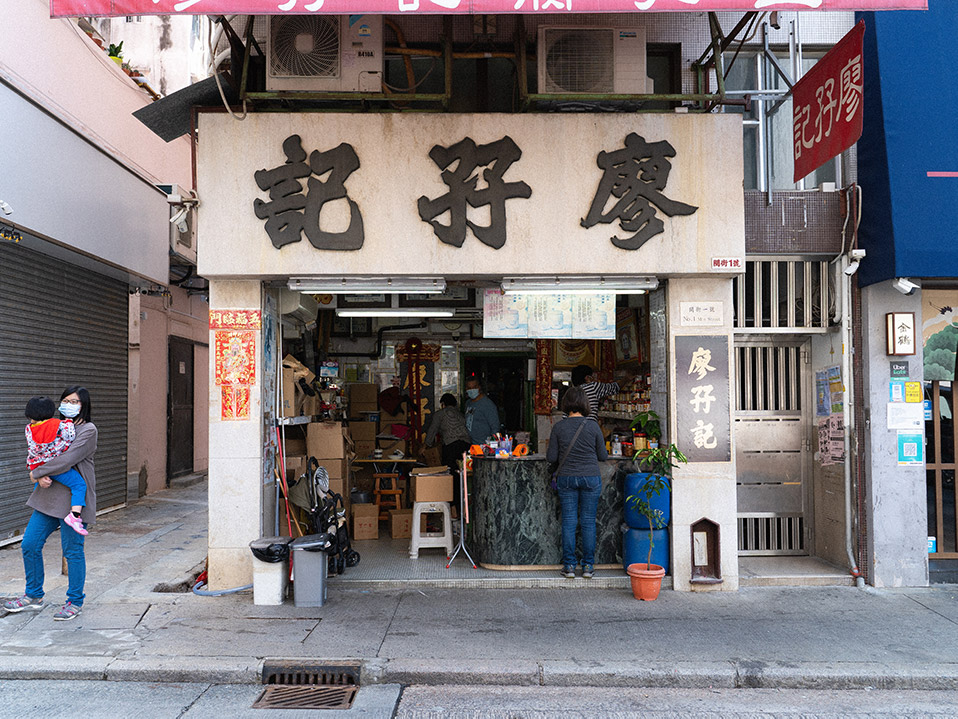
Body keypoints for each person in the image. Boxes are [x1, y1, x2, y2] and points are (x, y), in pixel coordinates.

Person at [3, 387, 97, 621]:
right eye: (65, 400)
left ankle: (75, 601)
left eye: (74, 401)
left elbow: (67, 459)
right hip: (48, 497)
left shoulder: (87, 430)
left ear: (83, 405)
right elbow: (37, 452)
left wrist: (36, 472)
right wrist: (35, 473)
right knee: (30, 544)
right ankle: (34, 595)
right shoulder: (51, 424)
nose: (69, 405)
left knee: (72, 551)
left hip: (74, 500)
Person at [546, 386, 608, 580]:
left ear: (566, 404)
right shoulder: (593, 426)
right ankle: (588, 566)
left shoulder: (559, 427)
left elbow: (551, 457)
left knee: (569, 522)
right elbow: (603, 456)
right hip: (590, 477)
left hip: (566, 478)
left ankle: (570, 566)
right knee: (588, 522)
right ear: (585, 404)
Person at [23, 397, 88, 536]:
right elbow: (70, 437)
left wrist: (38, 473)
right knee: (79, 485)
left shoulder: (29, 429)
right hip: (56, 467)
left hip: (40, 466)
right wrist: (69, 423)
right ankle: (75, 515)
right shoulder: (60, 425)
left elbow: (32, 449)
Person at [424, 393, 472, 509]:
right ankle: (463, 507)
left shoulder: (440, 414)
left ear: (442, 404)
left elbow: (433, 430)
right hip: (466, 446)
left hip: (451, 446)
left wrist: (425, 445)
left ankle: (454, 508)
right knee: (462, 476)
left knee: (451, 476)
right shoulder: (460, 415)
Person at [464, 378, 500, 444]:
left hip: (483, 446)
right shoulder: (468, 403)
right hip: (471, 445)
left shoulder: (487, 405)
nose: (472, 390)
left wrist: (492, 446)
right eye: (469, 388)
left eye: (474, 387)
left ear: (479, 387)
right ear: (466, 389)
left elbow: (495, 427)